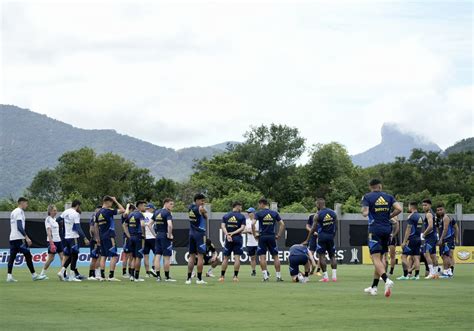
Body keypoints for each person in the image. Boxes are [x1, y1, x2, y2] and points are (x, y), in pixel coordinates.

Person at [361, 179, 402, 297]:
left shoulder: (367, 197)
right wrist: (390, 216)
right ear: (380, 186)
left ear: (371, 187)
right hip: (387, 229)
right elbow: (399, 209)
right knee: (381, 257)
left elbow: (365, 213)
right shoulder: (388, 197)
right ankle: (373, 287)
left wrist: (364, 211)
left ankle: (386, 280)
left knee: (375, 258)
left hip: (374, 229)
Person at [7, 197, 47, 282]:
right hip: (19, 238)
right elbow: (19, 226)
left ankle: (9, 276)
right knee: (28, 255)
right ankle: (34, 275)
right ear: (21, 203)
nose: (27, 205)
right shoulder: (19, 212)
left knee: (12, 257)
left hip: (12, 238)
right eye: (26, 203)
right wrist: (26, 237)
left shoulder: (14, 211)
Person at [252, 198, 285, 282]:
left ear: (262, 204)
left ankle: (265, 277)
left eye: (259, 205)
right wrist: (279, 234)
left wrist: (254, 234)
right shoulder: (274, 213)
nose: (259, 206)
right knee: (275, 257)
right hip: (272, 237)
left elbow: (252, 223)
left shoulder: (259, 213)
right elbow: (282, 224)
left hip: (262, 237)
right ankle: (278, 276)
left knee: (262, 257)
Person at [306, 199, 338, 282]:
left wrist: (307, 239)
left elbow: (313, 228)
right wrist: (333, 235)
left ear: (318, 205)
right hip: (330, 237)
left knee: (322, 256)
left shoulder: (318, 214)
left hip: (322, 237)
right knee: (332, 256)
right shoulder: (333, 213)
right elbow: (336, 226)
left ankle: (325, 277)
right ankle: (334, 277)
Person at [95, 196, 126, 281]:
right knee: (114, 256)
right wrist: (116, 201)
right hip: (110, 236)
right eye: (111, 202)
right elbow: (123, 210)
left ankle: (102, 276)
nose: (112, 204)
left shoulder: (98, 213)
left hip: (102, 237)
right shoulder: (108, 211)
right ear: (107, 202)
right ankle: (111, 276)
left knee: (104, 256)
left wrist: (97, 238)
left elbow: (96, 226)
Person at [58, 200, 90, 282]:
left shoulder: (66, 211)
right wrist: (85, 238)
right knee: (75, 256)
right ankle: (72, 276)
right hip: (73, 237)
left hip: (67, 237)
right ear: (78, 205)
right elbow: (78, 227)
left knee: (71, 256)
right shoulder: (75, 214)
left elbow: (58, 219)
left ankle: (62, 272)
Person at [149, 198, 176, 282]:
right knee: (167, 257)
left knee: (157, 256)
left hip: (158, 236)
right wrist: (169, 234)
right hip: (165, 236)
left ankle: (158, 277)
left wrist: (154, 235)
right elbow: (170, 225)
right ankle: (167, 277)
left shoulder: (156, 212)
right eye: (171, 204)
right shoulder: (167, 213)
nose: (172, 206)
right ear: (166, 203)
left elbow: (149, 224)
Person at [219, 202, 246, 282]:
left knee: (225, 258)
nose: (241, 209)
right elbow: (242, 228)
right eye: (240, 207)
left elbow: (223, 226)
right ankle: (235, 277)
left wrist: (227, 234)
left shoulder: (226, 215)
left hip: (228, 238)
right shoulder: (242, 216)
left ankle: (222, 276)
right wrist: (234, 233)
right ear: (237, 207)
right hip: (237, 238)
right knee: (237, 258)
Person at [186, 193, 208, 285]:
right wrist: (204, 211)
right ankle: (199, 279)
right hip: (200, 234)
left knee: (191, 257)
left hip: (191, 233)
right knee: (200, 257)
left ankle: (188, 279)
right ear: (197, 200)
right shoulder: (200, 208)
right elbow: (206, 217)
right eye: (202, 200)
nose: (203, 202)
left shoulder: (190, 208)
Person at [398, 202, 423, 280]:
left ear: (411, 207)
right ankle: (417, 275)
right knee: (416, 257)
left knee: (403, 256)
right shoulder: (420, 216)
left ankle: (406, 275)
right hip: (419, 239)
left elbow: (408, 229)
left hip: (411, 239)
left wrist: (404, 242)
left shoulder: (411, 216)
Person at [123, 201, 146, 282]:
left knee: (132, 258)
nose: (145, 207)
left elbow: (124, 225)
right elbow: (143, 225)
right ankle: (136, 276)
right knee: (138, 257)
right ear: (139, 206)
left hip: (130, 238)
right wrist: (144, 234)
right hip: (138, 237)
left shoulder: (130, 214)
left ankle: (132, 276)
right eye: (143, 206)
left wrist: (128, 235)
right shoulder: (140, 214)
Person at [40, 205, 63, 279]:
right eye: (54, 210)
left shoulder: (55, 219)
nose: (56, 212)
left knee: (63, 257)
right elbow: (49, 232)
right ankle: (42, 273)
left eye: (56, 210)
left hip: (58, 240)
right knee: (51, 258)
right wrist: (51, 243)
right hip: (52, 241)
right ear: (50, 211)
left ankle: (62, 273)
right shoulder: (48, 219)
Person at [436, 204, 459, 278]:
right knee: (443, 255)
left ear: (444, 209)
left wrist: (456, 238)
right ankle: (448, 271)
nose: (439, 211)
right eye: (438, 210)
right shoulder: (439, 219)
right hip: (444, 240)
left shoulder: (446, 217)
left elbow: (447, 229)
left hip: (447, 239)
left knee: (447, 255)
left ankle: (447, 272)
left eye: (441, 210)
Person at [421, 199, 439, 279]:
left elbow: (431, 226)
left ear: (430, 205)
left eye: (426, 205)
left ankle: (431, 273)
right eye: (423, 205)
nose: (424, 207)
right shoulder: (433, 214)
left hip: (430, 237)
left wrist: (424, 233)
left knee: (426, 253)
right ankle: (436, 273)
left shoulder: (428, 214)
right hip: (434, 236)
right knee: (433, 255)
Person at [143, 203, 158, 278]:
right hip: (152, 237)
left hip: (144, 238)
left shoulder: (142, 215)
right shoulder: (153, 215)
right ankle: (153, 268)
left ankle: (147, 273)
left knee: (146, 256)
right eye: (153, 208)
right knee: (157, 254)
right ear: (150, 208)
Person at [87, 205, 102, 281]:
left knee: (97, 257)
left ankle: (95, 274)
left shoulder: (94, 216)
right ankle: (93, 275)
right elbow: (92, 229)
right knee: (95, 258)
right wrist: (96, 239)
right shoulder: (95, 217)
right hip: (96, 241)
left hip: (96, 239)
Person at [243, 207, 258, 276]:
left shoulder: (257, 221)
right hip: (250, 243)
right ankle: (253, 271)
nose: (248, 214)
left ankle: (265, 271)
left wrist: (254, 231)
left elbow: (261, 230)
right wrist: (248, 231)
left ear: (253, 213)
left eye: (250, 212)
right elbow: (243, 230)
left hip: (258, 242)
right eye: (248, 212)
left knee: (262, 257)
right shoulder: (246, 221)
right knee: (252, 257)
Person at [121, 203, 134, 278]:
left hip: (132, 237)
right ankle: (124, 273)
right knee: (125, 256)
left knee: (131, 256)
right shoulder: (125, 215)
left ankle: (130, 272)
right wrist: (127, 206)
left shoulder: (132, 216)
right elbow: (125, 213)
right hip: (127, 237)